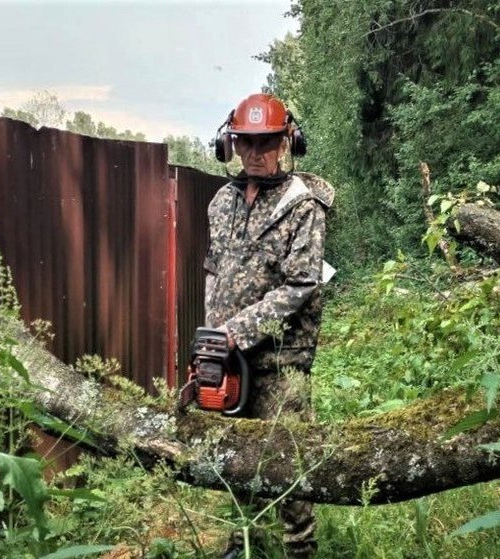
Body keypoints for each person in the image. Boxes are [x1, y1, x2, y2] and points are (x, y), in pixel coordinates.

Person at [203, 92, 334, 559]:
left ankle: (300, 550)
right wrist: (213, 339)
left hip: (282, 360)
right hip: (230, 359)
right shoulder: (221, 202)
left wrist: (238, 329)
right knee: (235, 459)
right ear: (231, 145)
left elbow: (302, 284)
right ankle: (243, 545)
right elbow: (213, 271)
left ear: (287, 142)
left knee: (288, 464)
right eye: (246, 143)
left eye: (266, 143)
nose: (255, 154)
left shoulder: (305, 204)